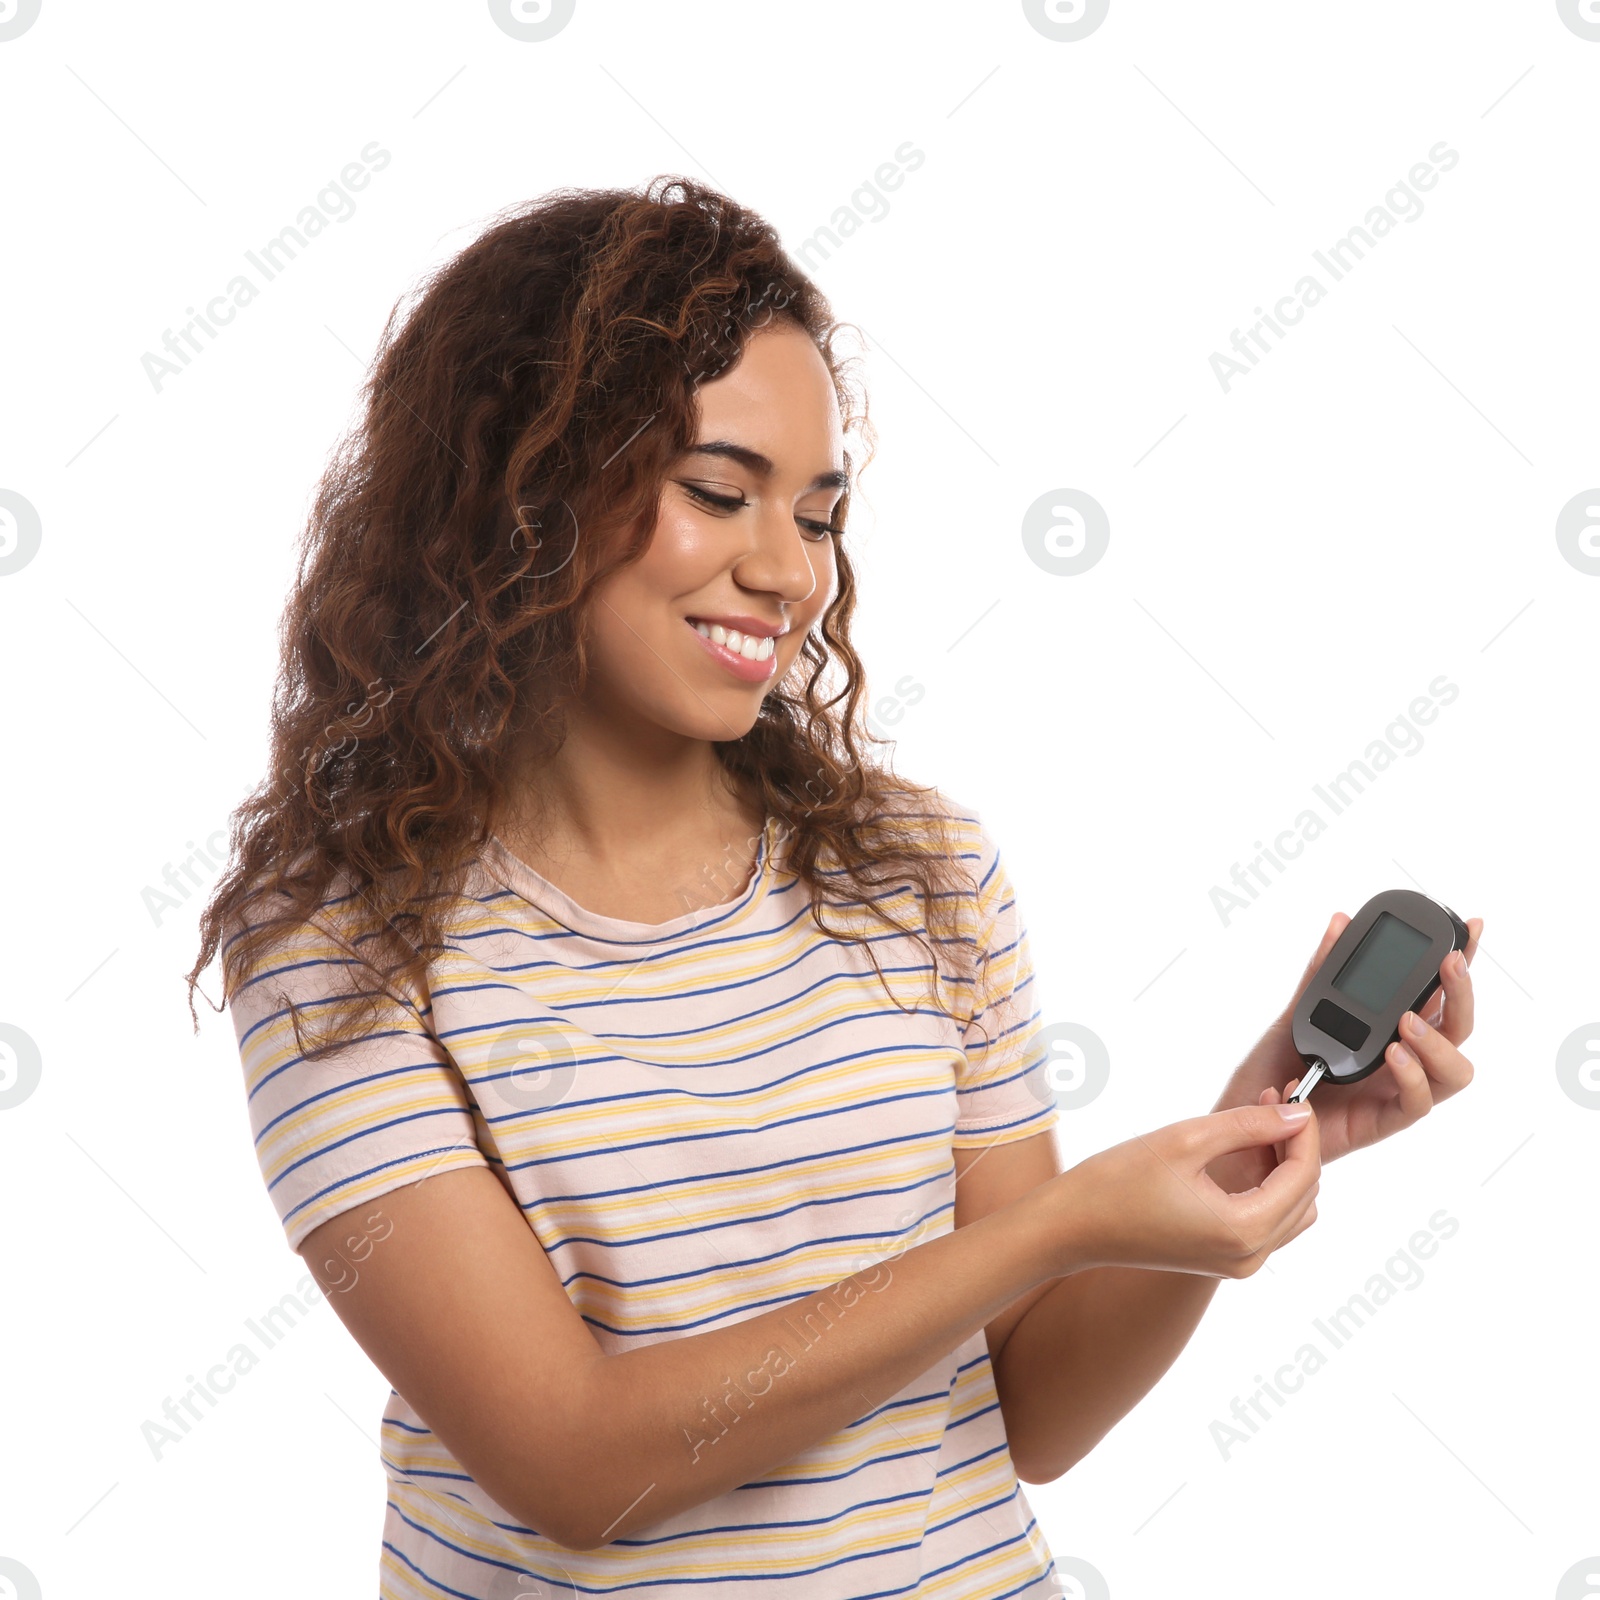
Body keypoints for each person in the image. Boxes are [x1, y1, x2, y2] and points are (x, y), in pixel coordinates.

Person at [190, 176, 1482, 1600]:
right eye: (717, 493)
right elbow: (569, 1463)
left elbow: (1030, 1411)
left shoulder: (918, 873)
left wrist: (1242, 1139)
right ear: (525, 490)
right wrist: (1065, 1223)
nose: (785, 573)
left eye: (816, 514)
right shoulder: (340, 941)